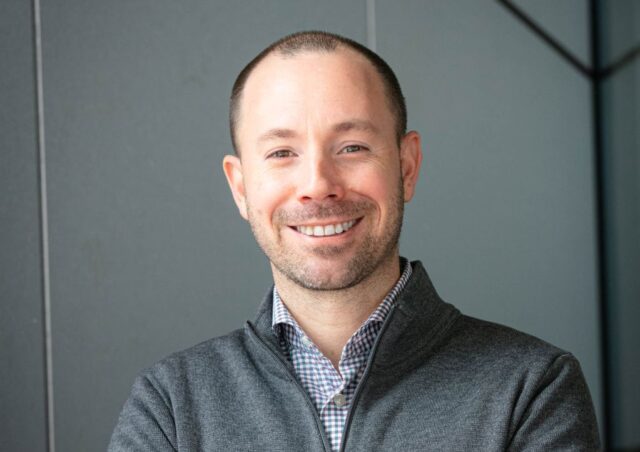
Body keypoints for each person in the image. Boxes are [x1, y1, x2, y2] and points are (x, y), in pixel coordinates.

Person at [109, 31, 600, 451]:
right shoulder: (169, 407)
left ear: (407, 167)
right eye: (281, 152)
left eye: (352, 147)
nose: (318, 184)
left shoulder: (531, 390)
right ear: (240, 187)